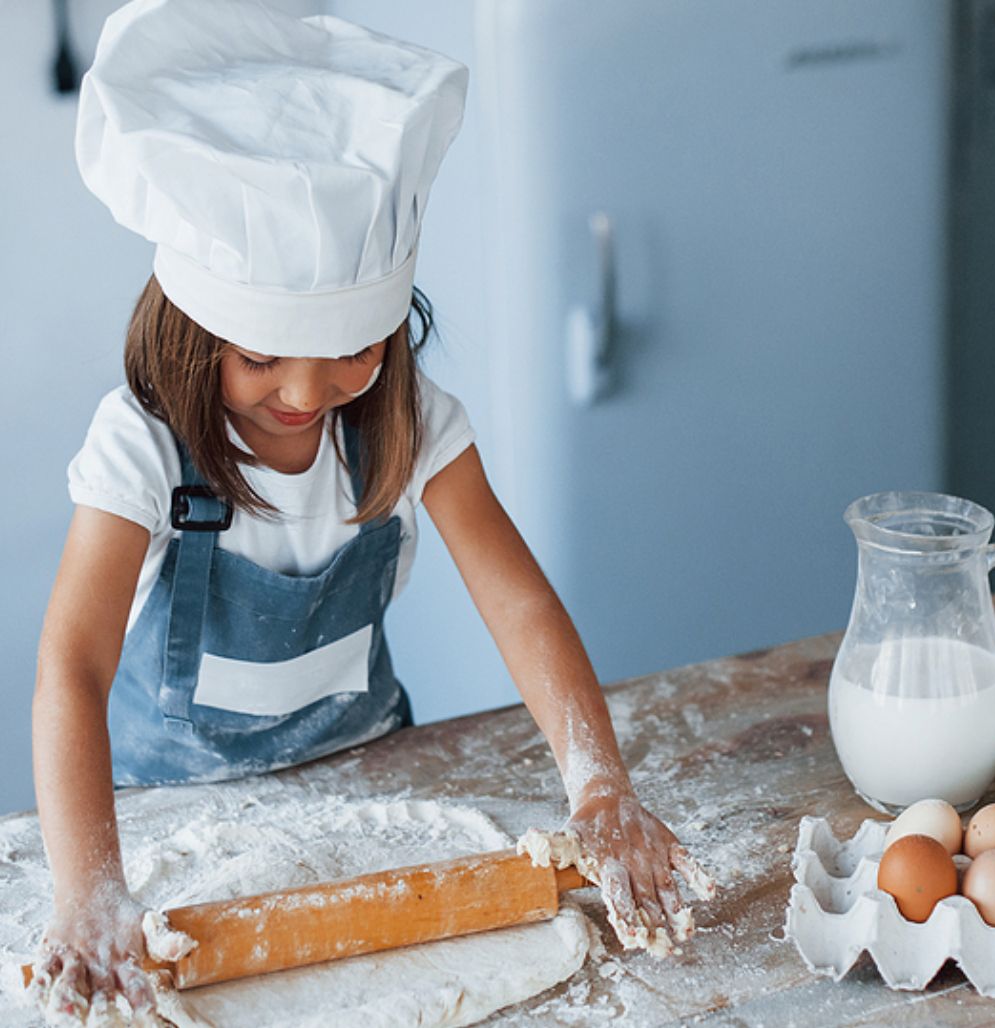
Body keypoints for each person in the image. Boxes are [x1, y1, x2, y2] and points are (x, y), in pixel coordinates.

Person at [30, 1, 710, 1022]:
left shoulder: (409, 419)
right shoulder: (143, 446)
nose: (307, 390)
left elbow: (518, 602)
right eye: (262, 354)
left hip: (375, 788)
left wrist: (599, 783)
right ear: (190, 329)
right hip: (175, 823)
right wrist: (90, 888)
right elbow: (70, 668)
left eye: (352, 347)